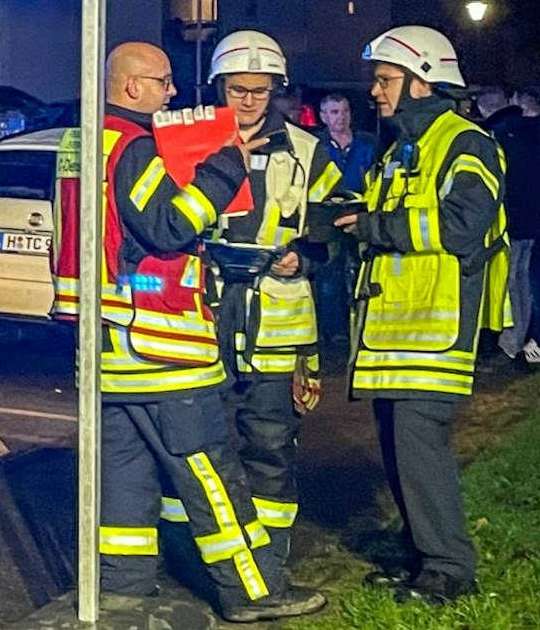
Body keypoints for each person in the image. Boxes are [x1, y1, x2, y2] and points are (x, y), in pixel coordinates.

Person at [54, 41, 323, 621]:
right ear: (131, 87)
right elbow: (170, 227)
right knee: (211, 478)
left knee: (123, 480)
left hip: (103, 349)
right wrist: (224, 168)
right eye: (163, 82)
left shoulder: (78, 142)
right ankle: (253, 593)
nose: (172, 93)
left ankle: (123, 589)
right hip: (160, 347)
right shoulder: (132, 147)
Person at [339, 25, 510, 606]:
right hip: (395, 334)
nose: (376, 93)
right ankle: (420, 556)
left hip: (435, 333)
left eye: (385, 80)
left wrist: (375, 227)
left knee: (420, 452)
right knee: (399, 451)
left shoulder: (467, 143)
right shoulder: (400, 149)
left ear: (421, 82)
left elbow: (464, 225)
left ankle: (448, 568)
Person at [175, 31, 327, 583]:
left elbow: (334, 228)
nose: (248, 100)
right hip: (206, 316)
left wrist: (304, 259)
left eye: (260, 91)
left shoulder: (308, 152)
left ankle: (269, 559)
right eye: (238, 89)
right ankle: (193, 554)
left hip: (277, 328)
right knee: (198, 445)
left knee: (270, 445)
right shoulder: (189, 144)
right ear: (218, 86)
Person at [493, 85, 540, 364]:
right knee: (535, 283)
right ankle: (539, 339)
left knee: (521, 283)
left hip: (522, 220)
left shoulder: (509, 130)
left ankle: (525, 340)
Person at [314, 92, 376, 342]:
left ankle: (365, 326)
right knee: (329, 274)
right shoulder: (315, 146)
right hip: (326, 219)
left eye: (344, 111)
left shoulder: (369, 143)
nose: (341, 118)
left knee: (364, 271)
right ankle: (334, 331)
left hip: (361, 216)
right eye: (334, 112)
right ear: (323, 117)